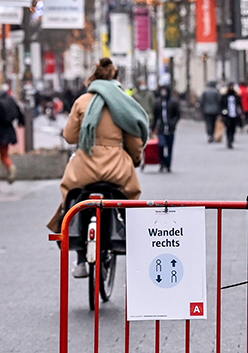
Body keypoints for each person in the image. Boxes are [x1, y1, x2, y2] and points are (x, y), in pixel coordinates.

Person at [60, 58, 148, 277]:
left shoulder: (82, 101)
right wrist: (134, 160)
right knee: (130, 197)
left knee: (73, 195)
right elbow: (135, 140)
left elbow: (70, 136)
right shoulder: (123, 102)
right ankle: (132, 238)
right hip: (116, 167)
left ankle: (79, 255)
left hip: (85, 165)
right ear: (116, 78)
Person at [151, 86, 180, 172]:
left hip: (170, 129)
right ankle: (162, 162)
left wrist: (173, 123)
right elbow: (155, 116)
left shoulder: (173, 102)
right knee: (161, 146)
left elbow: (177, 115)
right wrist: (153, 127)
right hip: (161, 128)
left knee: (170, 147)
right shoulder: (158, 103)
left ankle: (168, 164)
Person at [220, 83, 242, 149]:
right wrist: (222, 113)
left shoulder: (236, 96)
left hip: (235, 114)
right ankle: (229, 140)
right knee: (228, 128)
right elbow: (222, 105)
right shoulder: (225, 96)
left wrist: (241, 113)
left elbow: (239, 105)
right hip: (227, 115)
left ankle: (231, 138)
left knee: (233, 128)